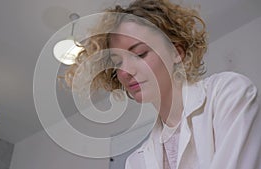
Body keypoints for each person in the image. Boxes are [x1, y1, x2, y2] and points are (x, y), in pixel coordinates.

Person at [64, 0, 261, 168]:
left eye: (140, 54)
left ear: (177, 52)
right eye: (117, 62)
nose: (125, 71)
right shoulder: (136, 162)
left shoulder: (230, 94)